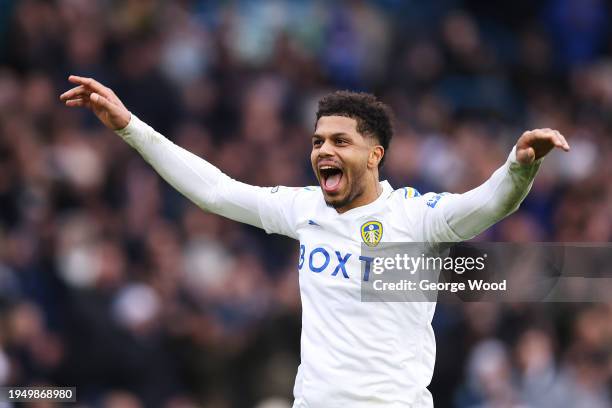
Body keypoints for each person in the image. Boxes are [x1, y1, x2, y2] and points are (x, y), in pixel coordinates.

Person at [60, 75, 570, 408]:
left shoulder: (415, 217)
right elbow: (215, 190)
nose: (324, 149)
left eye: (340, 141)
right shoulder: (304, 209)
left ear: (375, 155)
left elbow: (487, 205)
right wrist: (130, 127)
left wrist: (520, 167)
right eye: (318, 141)